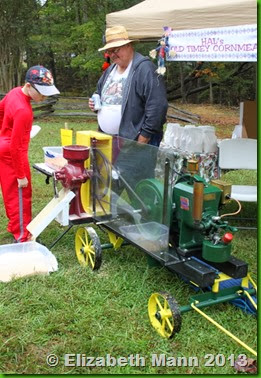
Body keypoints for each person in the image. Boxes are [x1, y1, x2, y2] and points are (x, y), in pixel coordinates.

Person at [0, 65, 60, 242]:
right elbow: (17, 148)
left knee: (10, 193)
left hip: (5, 147)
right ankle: (22, 235)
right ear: (28, 85)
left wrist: (4, 132)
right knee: (21, 193)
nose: (44, 96)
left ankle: (14, 225)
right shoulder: (24, 111)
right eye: (41, 92)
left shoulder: (14, 93)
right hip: (12, 154)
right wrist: (20, 175)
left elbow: (1, 111)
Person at [89, 25, 168, 146]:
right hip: (109, 139)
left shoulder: (145, 69)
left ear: (129, 46)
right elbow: (98, 93)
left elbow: (158, 106)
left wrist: (144, 137)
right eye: (109, 51)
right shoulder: (110, 70)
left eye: (116, 50)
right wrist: (95, 103)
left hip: (135, 141)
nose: (113, 54)